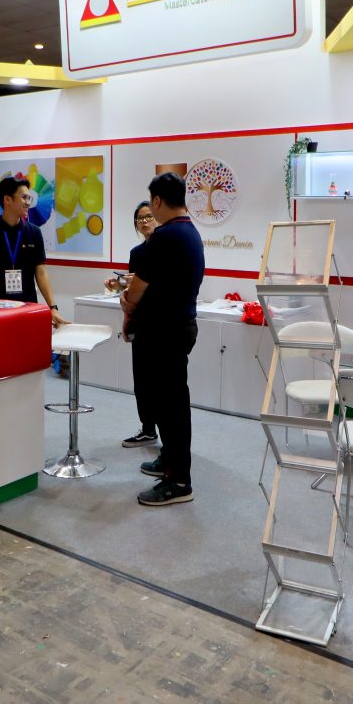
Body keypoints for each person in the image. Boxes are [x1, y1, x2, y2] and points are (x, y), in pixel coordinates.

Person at [120, 173, 205, 507]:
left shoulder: (165, 236)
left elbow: (137, 289)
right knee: (170, 403)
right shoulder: (190, 232)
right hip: (178, 327)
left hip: (165, 333)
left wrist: (127, 301)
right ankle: (169, 460)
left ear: (157, 201)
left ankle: (179, 481)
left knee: (171, 409)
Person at [0, 176, 67, 327]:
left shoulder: (34, 233)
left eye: (29, 198)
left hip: (27, 308)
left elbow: (41, 273)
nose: (28, 202)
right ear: (7, 200)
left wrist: (52, 308)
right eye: (24, 197)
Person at [106, 201, 161, 447]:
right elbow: (133, 289)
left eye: (149, 216)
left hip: (162, 322)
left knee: (161, 382)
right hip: (140, 320)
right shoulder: (137, 253)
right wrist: (118, 285)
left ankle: (166, 435)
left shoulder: (166, 249)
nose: (145, 222)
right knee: (142, 378)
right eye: (140, 219)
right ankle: (148, 428)